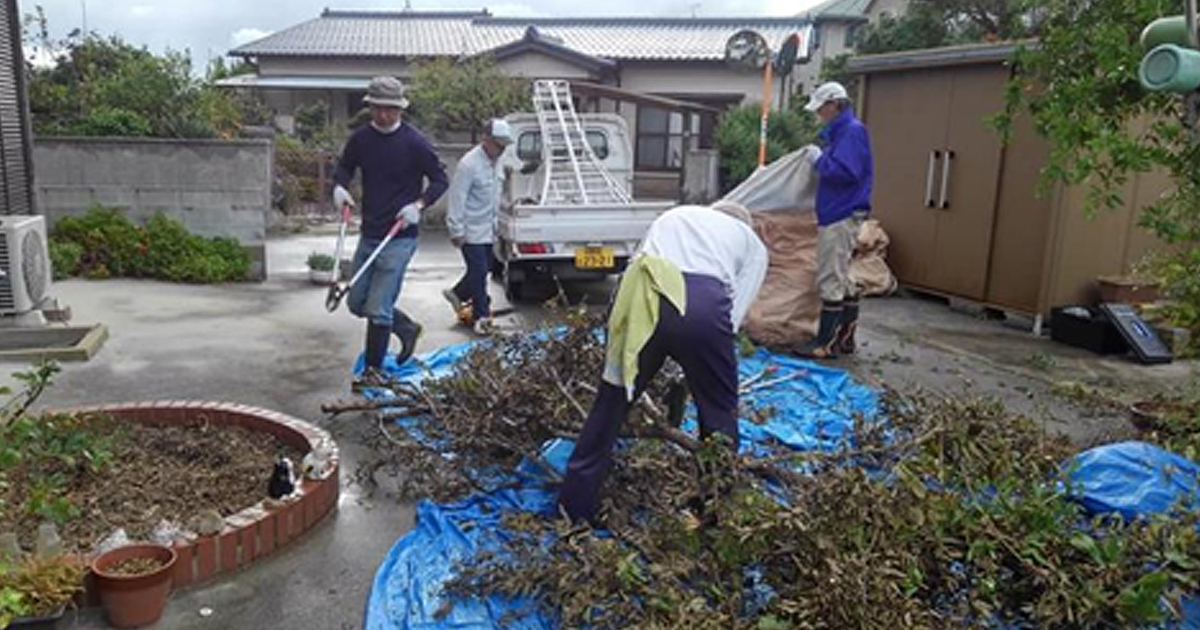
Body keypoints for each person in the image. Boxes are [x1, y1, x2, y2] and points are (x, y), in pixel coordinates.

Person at [557, 202, 768, 523]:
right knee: (718, 412)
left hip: (639, 301)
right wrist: (703, 365)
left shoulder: (676, 214)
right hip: (703, 307)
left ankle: (573, 509)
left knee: (609, 408)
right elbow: (734, 314)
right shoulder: (751, 244)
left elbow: (634, 271)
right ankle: (712, 514)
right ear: (743, 225)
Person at [333, 76, 449, 391]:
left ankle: (373, 372)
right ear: (370, 107)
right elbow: (344, 167)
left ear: (400, 109)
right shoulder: (361, 140)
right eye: (378, 108)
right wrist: (340, 188)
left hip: (400, 236)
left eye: (391, 109)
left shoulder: (415, 143)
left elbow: (440, 180)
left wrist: (419, 204)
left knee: (377, 307)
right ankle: (407, 328)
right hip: (370, 233)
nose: (384, 115)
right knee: (357, 302)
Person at [795, 81, 874, 360]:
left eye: (821, 109)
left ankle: (824, 344)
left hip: (840, 212)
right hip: (842, 211)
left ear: (834, 105)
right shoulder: (843, 133)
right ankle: (845, 340)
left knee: (831, 277)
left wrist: (819, 161)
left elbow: (846, 172)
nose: (819, 115)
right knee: (843, 276)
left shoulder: (850, 133)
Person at [443, 119, 514, 334]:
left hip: (489, 228)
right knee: (479, 271)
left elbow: (497, 193)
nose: (501, 149)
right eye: (498, 144)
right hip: (470, 230)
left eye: (504, 145)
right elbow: (457, 198)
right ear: (486, 139)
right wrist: (456, 230)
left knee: (484, 270)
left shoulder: (498, 162)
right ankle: (482, 318)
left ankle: (456, 294)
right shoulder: (469, 165)